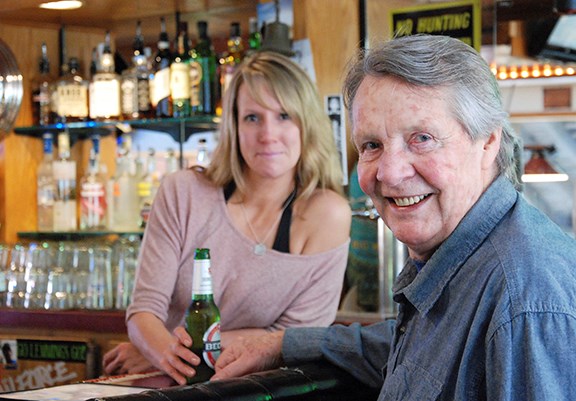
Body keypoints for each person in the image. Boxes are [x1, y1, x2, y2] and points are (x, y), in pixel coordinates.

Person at [212, 34, 576, 400]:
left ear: (487, 143)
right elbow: (419, 348)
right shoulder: (456, 255)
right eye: (372, 145)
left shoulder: (526, 299)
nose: (389, 172)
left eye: (421, 138)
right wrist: (282, 343)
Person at [103, 51, 351, 383]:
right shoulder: (184, 192)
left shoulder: (326, 215)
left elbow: (291, 342)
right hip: (170, 382)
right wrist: (162, 351)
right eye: (252, 117)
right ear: (233, 126)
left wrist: (171, 349)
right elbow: (144, 312)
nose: (268, 134)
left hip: (254, 389)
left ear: (307, 124)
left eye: (284, 116)